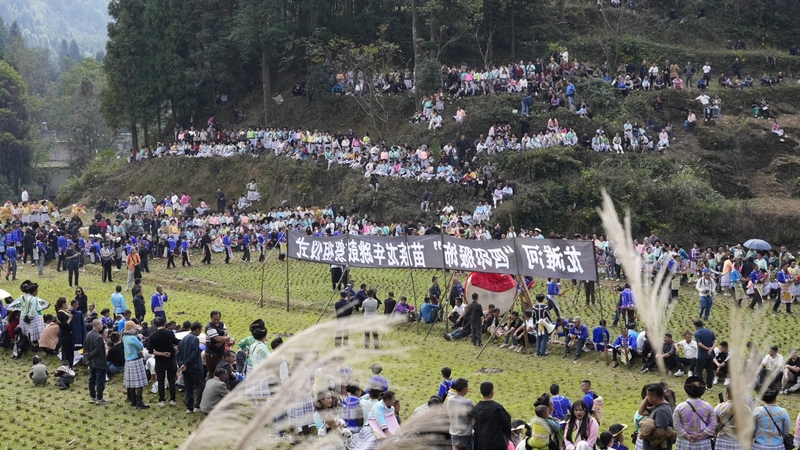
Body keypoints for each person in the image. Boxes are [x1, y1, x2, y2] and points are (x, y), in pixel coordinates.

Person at [672, 376, 717, 450]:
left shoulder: (680, 407)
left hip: (684, 443)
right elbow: (713, 423)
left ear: (687, 391)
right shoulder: (708, 406)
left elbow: (676, 425)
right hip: (703, 442)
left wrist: (686, 435)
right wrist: (703, 434)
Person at [146, 316, 180, 407]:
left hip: (159, 360)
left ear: (155, 325)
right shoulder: (169, 333)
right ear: (164, 324)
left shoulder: (153, 336)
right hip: (171, 359)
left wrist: (161, 354)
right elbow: (176, 342)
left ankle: (161, 400)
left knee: (160, 380)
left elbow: (150, 350)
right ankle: (172, 399)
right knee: (171, 380)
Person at [473, 381, 511, 450]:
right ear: (491, 392)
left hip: (480, 444)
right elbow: (507, 423)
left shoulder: (475, 409)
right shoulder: (498, 408)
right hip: (497, 444)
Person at [178, 321, 205, 413]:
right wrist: (187, 364)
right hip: (194, 367)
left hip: (185, 368)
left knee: (188, 387)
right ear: (197, 329)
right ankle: (197, 406)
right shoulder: (194, 339)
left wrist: (182, 364)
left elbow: (179, 353)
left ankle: (189, 407)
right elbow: (194, 354)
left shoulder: (183, 339)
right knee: (200, 386)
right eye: (200, 330)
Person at [121, 321, 150, 409]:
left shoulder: (124, 337)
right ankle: (140, 402)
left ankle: (133, 400)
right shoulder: (132, 338)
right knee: (139, 383)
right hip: (135, 360)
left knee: (131, 382)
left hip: (128, 361)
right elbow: (141, 347)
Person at [639, 383, 675, 450]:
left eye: (648, 396)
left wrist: (646, 436)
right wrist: (648, 395)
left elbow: (660, 432)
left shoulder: (661, 411)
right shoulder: (658, 406)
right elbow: (641, 411)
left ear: (654, 397)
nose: (647, 398)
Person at [83, 319, 108, 404]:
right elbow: (97, 350)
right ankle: (99, 398)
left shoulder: (88, 335)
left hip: (91, 362)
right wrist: (89, 355)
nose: (102, 326)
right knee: (100, 381)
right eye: (101, 324)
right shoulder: (98, 337)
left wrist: (87, 357)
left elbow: (85, 347)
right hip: (99, 362)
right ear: (97, 325)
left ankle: (92, 397)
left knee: (92, 380)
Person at [205, 310, 232, 380]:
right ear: (211, 318)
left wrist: (224, 340)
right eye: (214, 319)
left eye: (218, 319)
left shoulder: (222, 324)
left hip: (220, 353)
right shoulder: (209, 327)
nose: (216, 321)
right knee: (214, 374)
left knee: (221, 372)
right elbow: (218, 339)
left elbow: (227, 336)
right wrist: (225, 339)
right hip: (212, 355)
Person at [447, 378, 474, 450]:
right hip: (465, 435)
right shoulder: (467, 402)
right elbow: (474, 415)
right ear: (464, 389)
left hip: (453, 433)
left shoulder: (449, 400)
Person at [694, 320, 717, 390]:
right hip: (710, 356)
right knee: (710, 371)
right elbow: (716, 341)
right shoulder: (710, 331)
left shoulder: (697, 333)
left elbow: (699, 344)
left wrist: (707, 349)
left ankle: (701, 385)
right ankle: (709, 386)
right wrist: (711, 349)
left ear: (696, 326)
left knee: (699, 371)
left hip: (702, 355)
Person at [55, 297, 74, 368]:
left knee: (69, 352)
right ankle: (67, 367)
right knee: (67, 353)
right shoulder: (60, 314)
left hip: (68, 334)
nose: (67, 304)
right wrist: (70, 319)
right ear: (63, 304)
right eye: (66, 302)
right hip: (66, 335)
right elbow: (64, 325)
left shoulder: (63, 312)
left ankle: (70, 366)